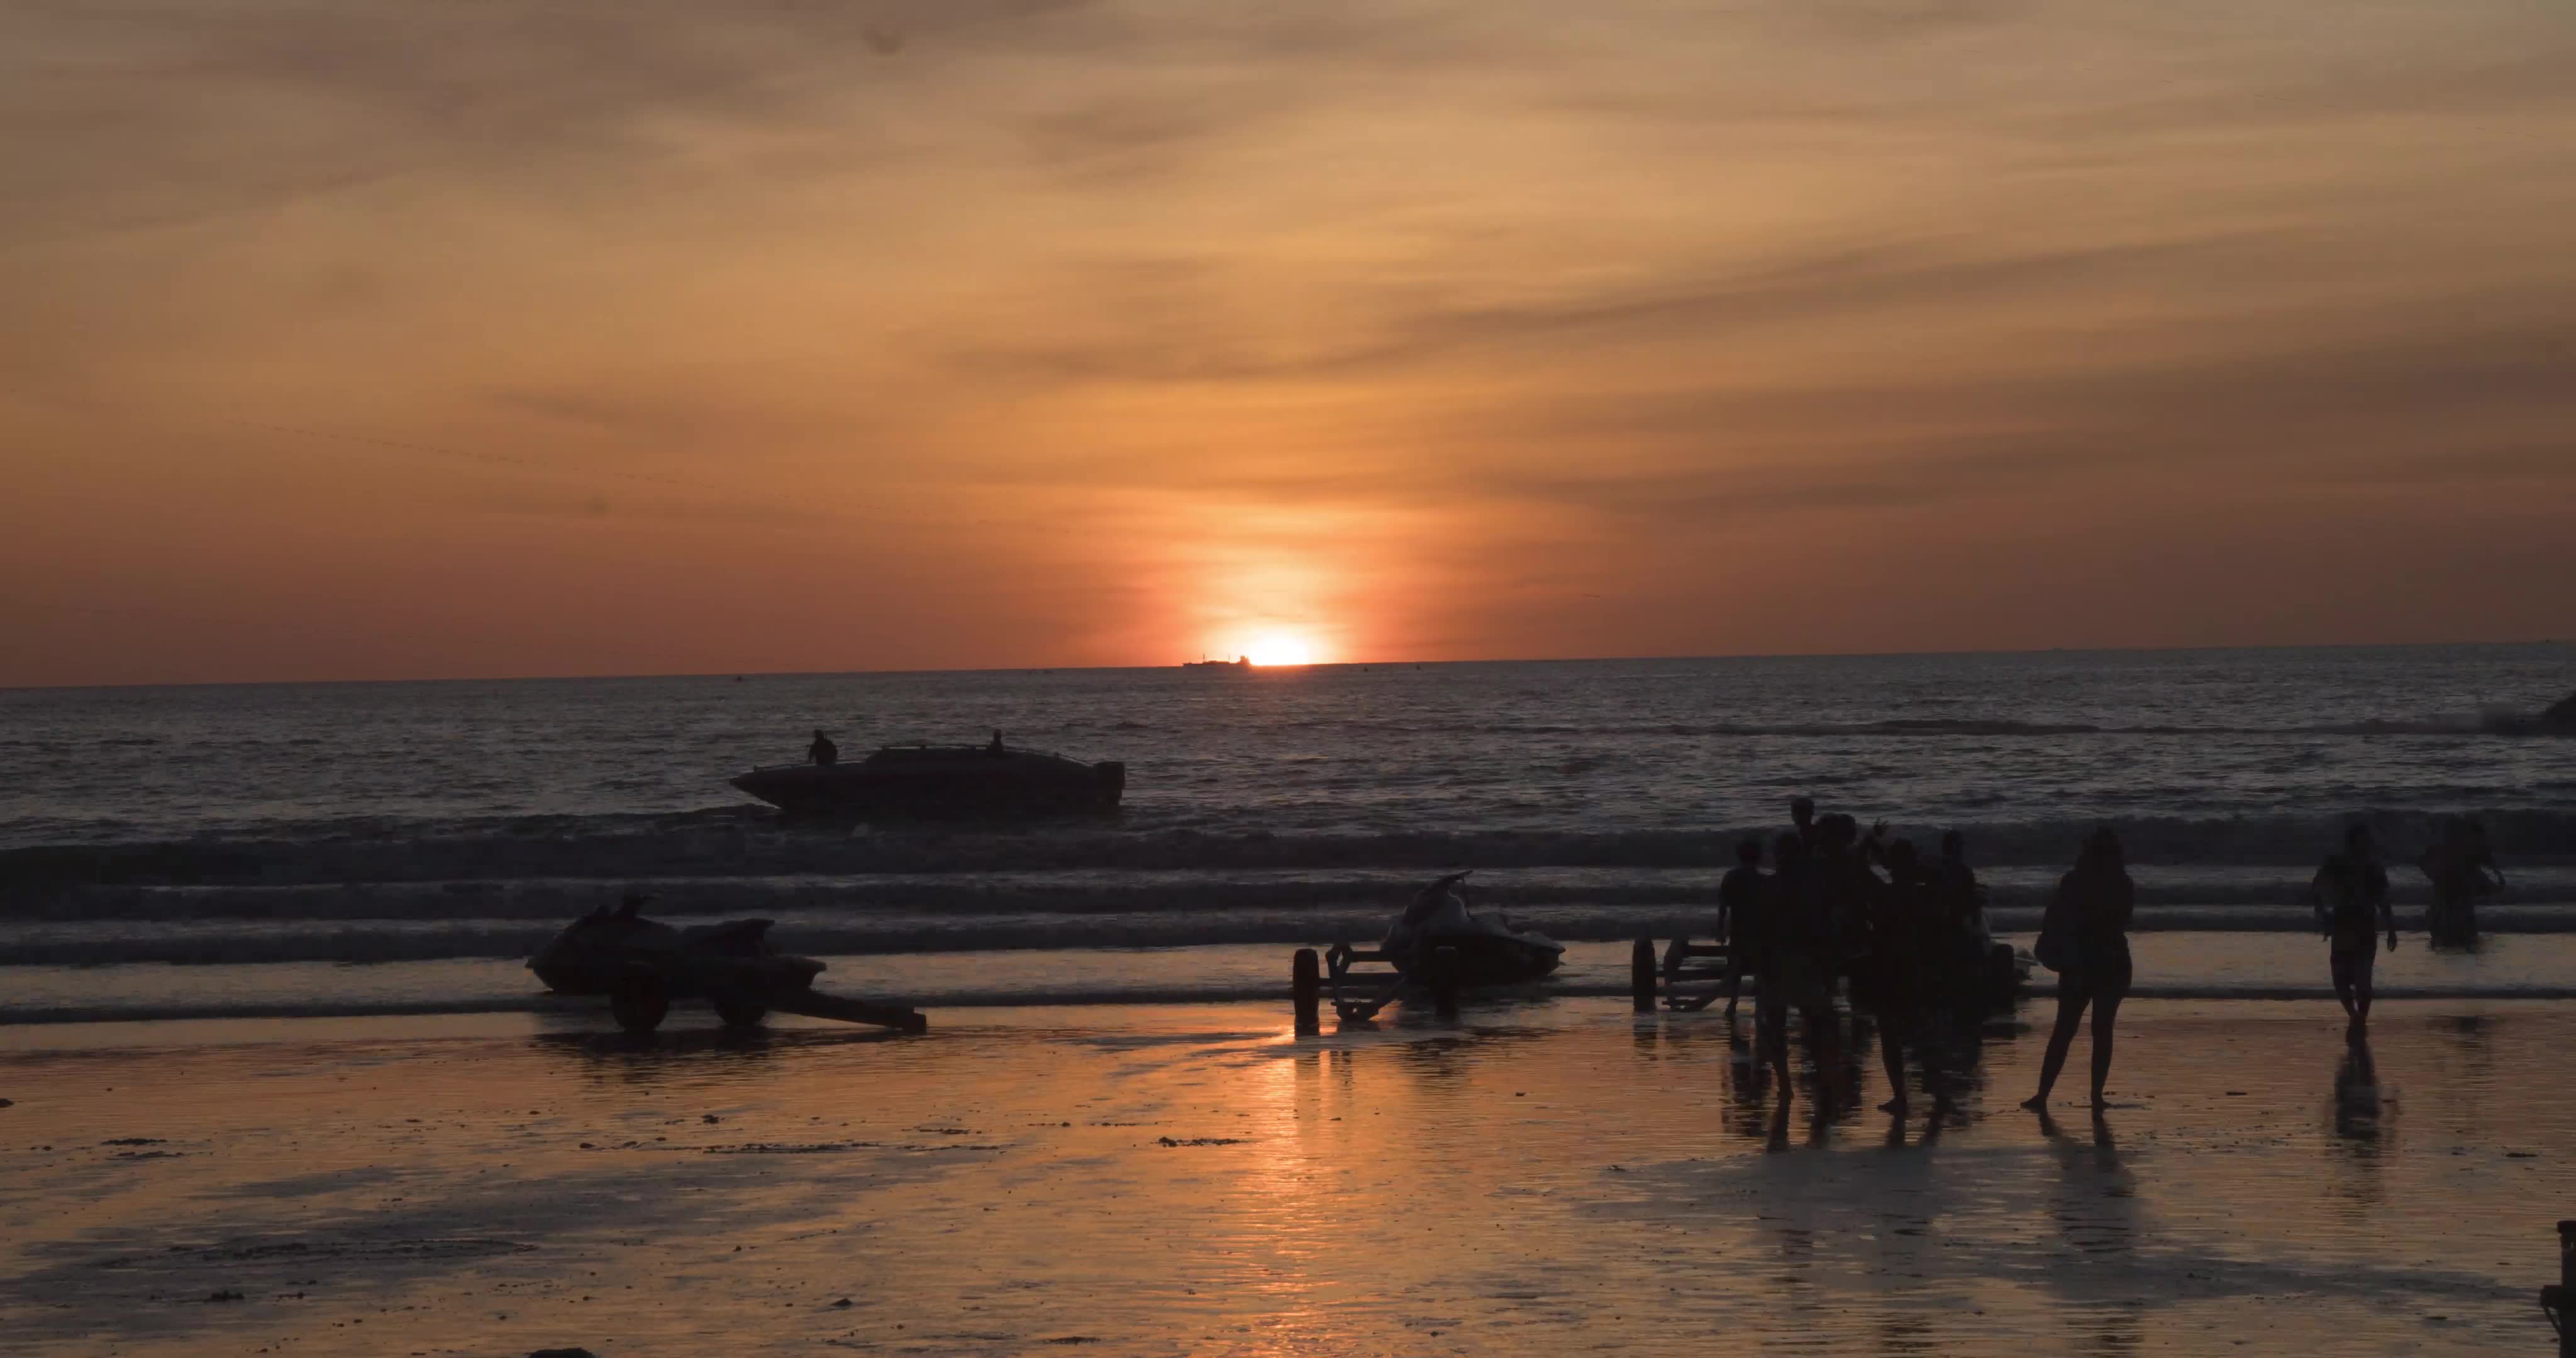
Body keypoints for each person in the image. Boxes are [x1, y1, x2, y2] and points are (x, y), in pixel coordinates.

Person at [2023, 826, 2135, 1112]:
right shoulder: (2122, 883)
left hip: (2081, 962)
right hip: (2111, 961)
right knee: (2101, 1030)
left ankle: (2043, 1095)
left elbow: (2055, 917)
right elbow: (2121, 922)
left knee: (2065, 1030)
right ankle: (2095, 1097)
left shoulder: (2074, 882)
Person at [1863, 839, 1948, 1114]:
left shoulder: (1884, 894)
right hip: (1918, 968)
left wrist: (1870, 846)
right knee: (1922, 1031)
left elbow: (1857, 871)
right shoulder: (1926, 894)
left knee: (1891, 1034)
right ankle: (1938, 1089)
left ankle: (1901, 1095)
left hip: (1890, 969)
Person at [1758, 832, 1841, 1105]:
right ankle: (1824, 1081)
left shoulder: (1772, 886)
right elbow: (1826, 929)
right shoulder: (1814, 886)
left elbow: (1762, 930)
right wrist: (1829, 966)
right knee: (1816, 1024)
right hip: (1806, 961)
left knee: (1777, 1025)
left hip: (1782, 961)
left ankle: (1786, 1084)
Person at [2311, 823, 2396, 1030]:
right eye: (2364, 839)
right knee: (2340, 979)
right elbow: (2316, 887)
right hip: (2342, 925)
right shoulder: (2335, 864)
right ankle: (2354, 1015)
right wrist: (2322, 914)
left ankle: (2361, 1019)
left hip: (2365, 926)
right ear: (2352, 842)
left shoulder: (2374, 868)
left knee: (2363, 979)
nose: (2368, 844)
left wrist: (2392, 929)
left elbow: (2383, 901)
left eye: (2368, 840)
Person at [2418, 816, 2502, 948]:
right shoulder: (2461, 858)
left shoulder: (2449, 853)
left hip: (2447, 906)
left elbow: (2424, 863)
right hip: (2450, 906)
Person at [1714, 837, 1767, 1018]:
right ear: (1759, 858)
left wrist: (1720, 929)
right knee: (1760, 967)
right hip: (1758, 931)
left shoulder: (1731, 877)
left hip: (1738, 929)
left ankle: (1733, 1003)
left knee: (1735, 969)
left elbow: (1723, 906)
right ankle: (1760, 1000)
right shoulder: (1763, 880)